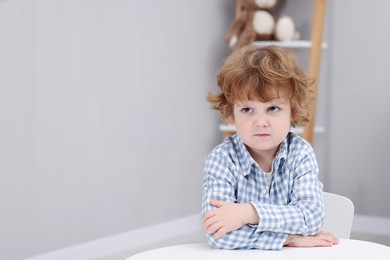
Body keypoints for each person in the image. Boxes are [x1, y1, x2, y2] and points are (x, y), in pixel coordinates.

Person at [201, 45, 338, 250]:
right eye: (247, 109)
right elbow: (218, 235)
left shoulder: (301, 153)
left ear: (293, 110)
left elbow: (312, 217)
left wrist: (250, 213)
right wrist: (288, 239)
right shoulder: (221, 160)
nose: (261, 122)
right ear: (232, 113)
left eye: (272, 108)